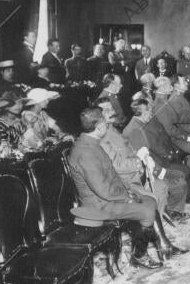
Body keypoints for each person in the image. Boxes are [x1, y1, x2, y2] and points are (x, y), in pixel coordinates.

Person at [67, 106, 162, 269]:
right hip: (99, 205)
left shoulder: (90, 142)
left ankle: (149, 247)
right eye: (105, 121)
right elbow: (102, 190)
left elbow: (110, 174)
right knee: (147, 210)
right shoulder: (86, 152)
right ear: (99, 126)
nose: (107, 124)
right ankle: (139, 255)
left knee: (149, 201)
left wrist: (128, 192)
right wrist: (127, 197)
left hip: (108, 198)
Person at [96, 97, 189, 224]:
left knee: (171, 184)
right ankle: (154, 227)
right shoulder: (103, 136)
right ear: (98, 116)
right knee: (164, 189)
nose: (111, 111)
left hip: (140, 170)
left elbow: (131, 150)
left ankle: (161, 220)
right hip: (127, 180)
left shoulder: (112, 128)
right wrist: (142, 163)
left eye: (111, 108)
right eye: (105, 110)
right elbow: (117, 166)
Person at [123, 85, 190, 206]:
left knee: (184, 170)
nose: (152, 112)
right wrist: (163, 167)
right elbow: (145, 157)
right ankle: (173, 208)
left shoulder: (141, 123)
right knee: (182, 175)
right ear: (143, 112)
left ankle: (182, 201)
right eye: (149, 110)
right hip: (154, 167)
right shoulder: (135, 130)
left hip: (160, 159)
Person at [0, 89, 27, 156]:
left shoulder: (20, 121)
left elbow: (25, 141)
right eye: (15, 103)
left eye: (21, 103)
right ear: (6, 106)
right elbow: (3, 146)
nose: (19, 106)